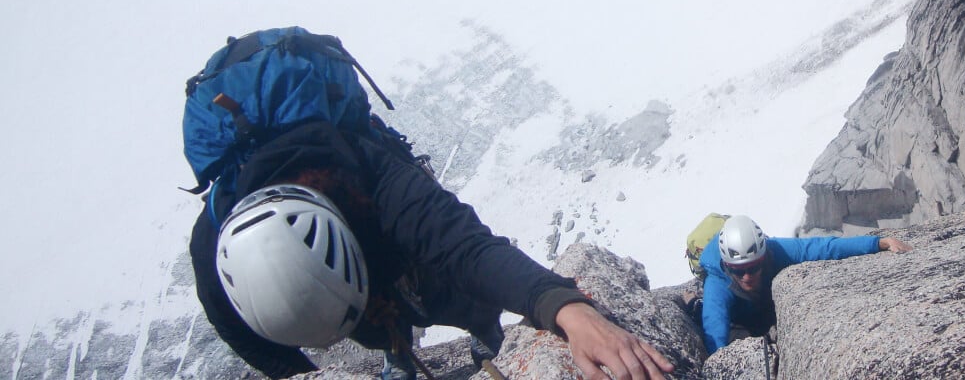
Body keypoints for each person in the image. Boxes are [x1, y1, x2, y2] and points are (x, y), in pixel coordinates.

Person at [189, 120, 674, 380]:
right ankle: (395, 357)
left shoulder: (375, 178)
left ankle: (484, 332)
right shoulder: (217, 264)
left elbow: (468, 251)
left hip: (399, 250)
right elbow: (242, 336)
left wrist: (566, 308)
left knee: (455, 298)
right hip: (356, 265)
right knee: (380, 326)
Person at [696, 215, 913, 353]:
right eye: (738, 271)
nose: (746, 276)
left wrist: (878, 243)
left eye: (753, 267)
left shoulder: (776, 251)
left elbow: (822, 248)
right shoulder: (716, 284)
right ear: (726, 266)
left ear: (763, 256)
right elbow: (715, 330)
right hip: (741, 324)